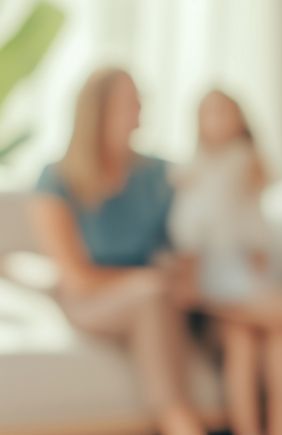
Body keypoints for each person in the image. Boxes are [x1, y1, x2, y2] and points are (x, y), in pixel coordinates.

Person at [28, 68, 204, 435]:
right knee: (150, 295)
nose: (140, 114)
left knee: (176, 301)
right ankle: (179, 420)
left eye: (141, 103)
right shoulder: (57, 179)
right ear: (99, 111)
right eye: (130, 104)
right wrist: (149, 280)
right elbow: (76, 279)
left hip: (161, 294)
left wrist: (184, 274)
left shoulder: (159, 175)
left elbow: (188, 239)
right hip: (93, 298)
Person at [170, 90, 282, 435]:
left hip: (249, 274)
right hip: (217, 282)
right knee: (250, 332)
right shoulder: (192, 175)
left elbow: (255, 224)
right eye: (212, 113)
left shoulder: (246, 163)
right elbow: (189, 233)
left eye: (227, 112)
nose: (220, 121)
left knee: (271, 337)